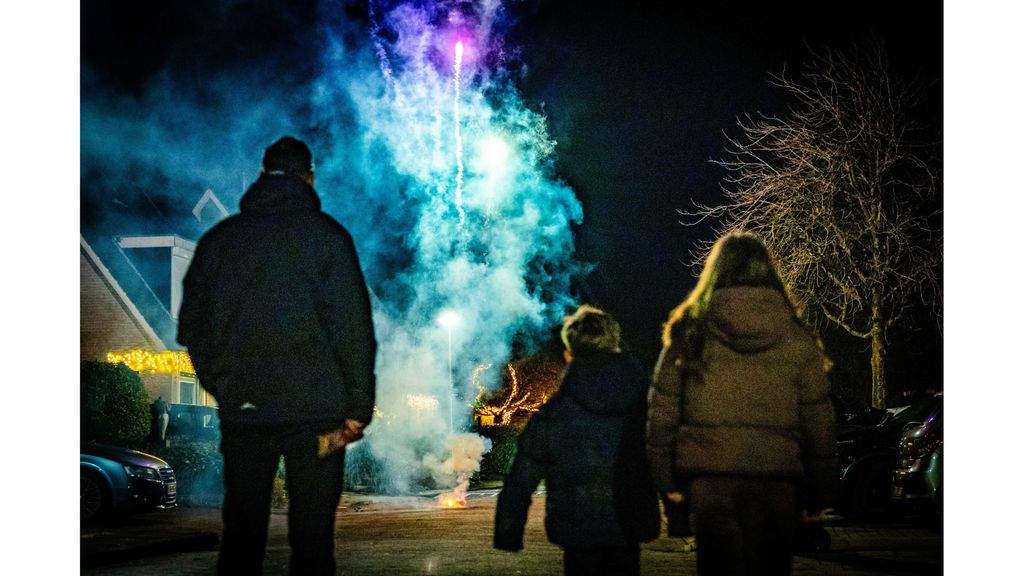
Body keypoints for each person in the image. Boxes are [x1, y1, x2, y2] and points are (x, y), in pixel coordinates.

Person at [177, 136, 377, 575]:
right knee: (313, 542)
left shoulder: (221, 240)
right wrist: (358, 409)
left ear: (261, 176)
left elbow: (191, 326)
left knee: (242, 539)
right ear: (310, 177)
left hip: (247, 412)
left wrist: (225, 386)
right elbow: (354, 329)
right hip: (319, 414)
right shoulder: (328, 238)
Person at [646, 231, 839, 576]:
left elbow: (662, 413)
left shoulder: (689, 332)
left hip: (710, 482)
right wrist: (818, 494)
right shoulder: (796, 337)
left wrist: (667, 482)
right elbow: (819, 422)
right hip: (777, 481)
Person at [494, 305, 660, 576]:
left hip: (576, 529)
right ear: (616, 347)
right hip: (628, 523)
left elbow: (521, 478)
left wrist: (508, 531)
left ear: (569, 355)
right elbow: (664, 453)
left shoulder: (554, 414)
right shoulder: (645, 405)